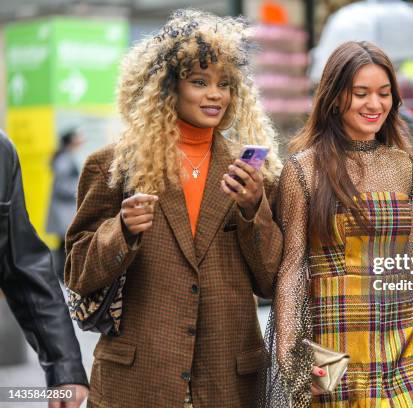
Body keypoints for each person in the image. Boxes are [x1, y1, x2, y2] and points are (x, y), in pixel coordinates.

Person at [64, 10, 283, 408]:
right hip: (139, 380)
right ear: (167, 88)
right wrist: (122, 230)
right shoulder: (113, 165)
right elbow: (78, 273)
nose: (215, 95)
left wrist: (255, 210)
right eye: (199, 82)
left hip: (227, 383)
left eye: (224, 84)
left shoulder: (253, 171)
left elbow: (271, 282)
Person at [263, 42, 413, 407]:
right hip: (334, 347)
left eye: (384, 93)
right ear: (336, 98)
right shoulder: (303, 170)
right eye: (361, 93)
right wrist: (289, 353)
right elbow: (291, 267)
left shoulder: (404, 165)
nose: (375, 104)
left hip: (403, 343)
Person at [0, 130, 89, 408]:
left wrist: (65, 367)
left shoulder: (2, 152)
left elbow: (23, 264)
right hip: (64, 214)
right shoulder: (65, 159)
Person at [47, 129, 84, 281]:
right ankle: (60, 275)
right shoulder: (64, 159)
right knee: (64, 244)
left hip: (63, 210)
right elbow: (62, 186)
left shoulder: (65, 156)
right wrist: (80, 189)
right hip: (63, 211)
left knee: (63, 243)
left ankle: (60, 274)